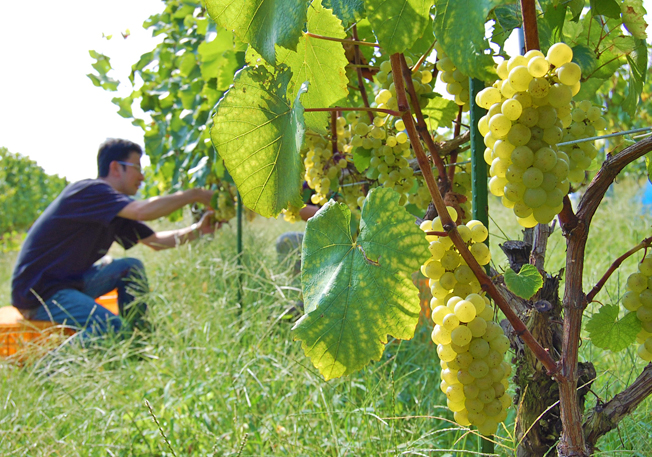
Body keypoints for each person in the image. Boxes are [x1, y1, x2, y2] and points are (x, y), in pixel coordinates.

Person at [10, 138, 217, 335]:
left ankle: (138, 339)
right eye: (137, 167)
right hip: (40, 295)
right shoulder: (90, 191)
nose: (142, 176)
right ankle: (48, 368)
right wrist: (193, 195)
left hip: (67, 285)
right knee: (113, 330)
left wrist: (199, 229)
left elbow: (157, 241)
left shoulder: (114, 208)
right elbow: (142, 211)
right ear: (116, 167)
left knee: (131, 267)